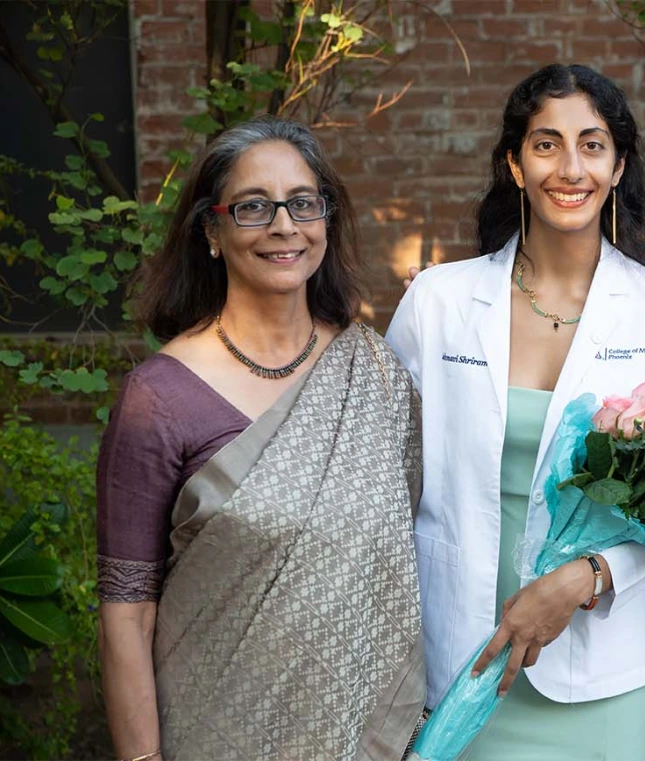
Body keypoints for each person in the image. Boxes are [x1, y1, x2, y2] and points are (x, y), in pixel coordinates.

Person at [385, 64, 645, 761]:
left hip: (597, 670)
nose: (570, 167)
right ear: (514, 162)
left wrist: (587, 576)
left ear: (619, 165)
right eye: (546, 143)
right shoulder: (437, 304)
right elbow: (384, 484)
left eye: (592, 145)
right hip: (459, 656)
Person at [96, 115, 425, 761]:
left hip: (364, 733)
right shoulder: (160, 398)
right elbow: (126, 613)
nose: (284, 225)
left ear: (325, 219)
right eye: (254, 207)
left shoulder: (377, 376)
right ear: (213, 231)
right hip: (211, 733)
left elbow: (398, 560)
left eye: (303, 203)